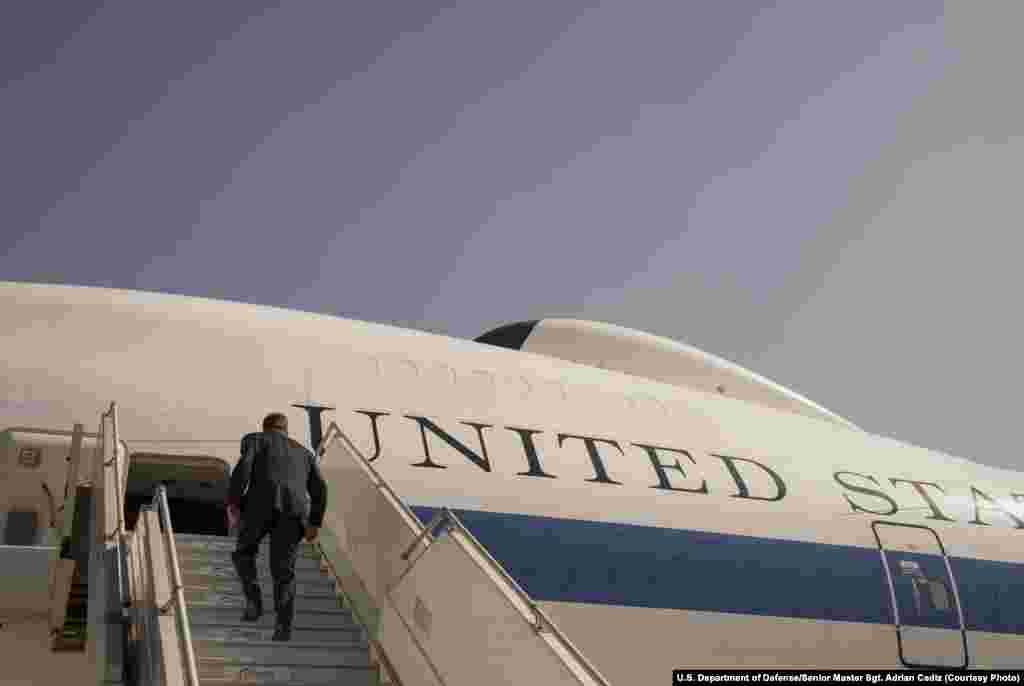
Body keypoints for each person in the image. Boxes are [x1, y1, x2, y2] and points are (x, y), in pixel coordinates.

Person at [225, 412, 328, 641]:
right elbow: (321, 489)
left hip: (259, 507)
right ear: (286, 429)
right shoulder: (304, 452)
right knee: (284, 573)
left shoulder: (255, 440)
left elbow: (243, 469)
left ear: (265, 427)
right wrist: (314, 523)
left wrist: (233, 501)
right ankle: (283, 627)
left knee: (244, 553)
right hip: (294, 513)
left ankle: (254, 602)